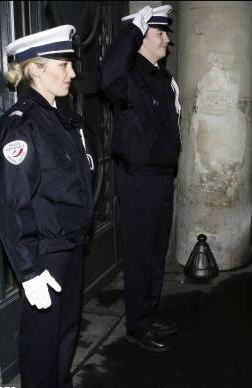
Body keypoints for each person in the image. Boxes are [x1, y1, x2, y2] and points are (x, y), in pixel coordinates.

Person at [0, 25, 94, 388]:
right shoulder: (21, 124)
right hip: (44, 253)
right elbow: (8, 202)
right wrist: (29, 270)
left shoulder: (58, 116)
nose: (72, 73)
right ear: (36, 69)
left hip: (69, 244)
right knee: (41, 345)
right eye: (64, 65)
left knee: (64, 337)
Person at [100, 5, 181, 352]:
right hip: (139, 181)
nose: (168, 39)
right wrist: (133, 29)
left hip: (162, 177)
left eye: (166, 33)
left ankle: (149, 314)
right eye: (160, 33)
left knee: (156, 252)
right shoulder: (128, 76)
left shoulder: (160, 76)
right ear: (143, 38)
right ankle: (137, 326)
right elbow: (107, 75)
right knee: (140, 254)